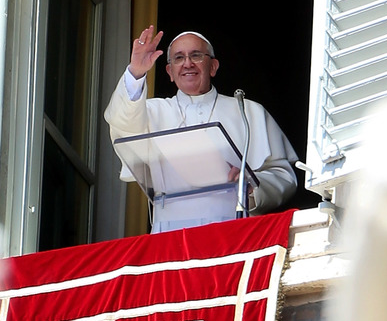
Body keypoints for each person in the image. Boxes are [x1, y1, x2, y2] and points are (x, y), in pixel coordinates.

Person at [104, 25, 298, 233]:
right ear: (169, 72)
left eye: (196, 55)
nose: (187, 63)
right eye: (178, 58)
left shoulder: (247, 111)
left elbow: (282, 175)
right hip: (170, 233)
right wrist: (136, 72)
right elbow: (121, 120)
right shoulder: (151, 112)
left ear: (213, 67)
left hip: (234, 230)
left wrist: (251, 188)